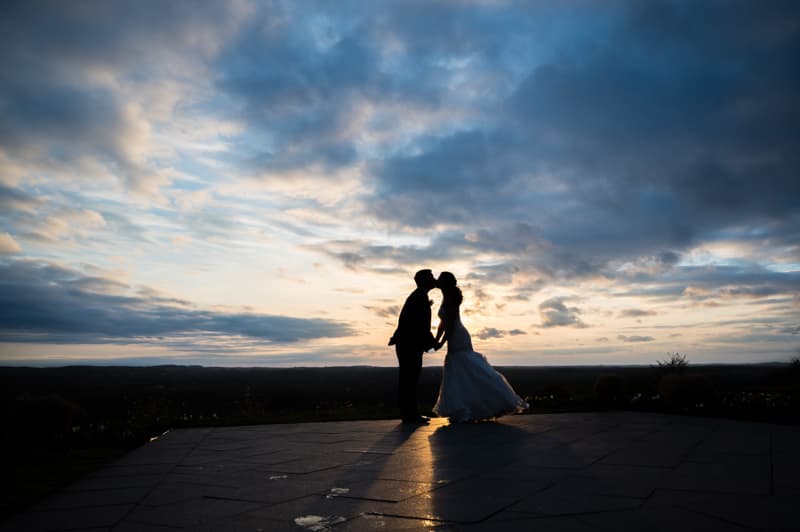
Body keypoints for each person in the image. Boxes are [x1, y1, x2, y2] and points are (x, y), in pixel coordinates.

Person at [433, 271, 528, 422]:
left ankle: (472, 406)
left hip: (457, 335)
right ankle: (466, 405)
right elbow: (443, 323)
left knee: (462, 367)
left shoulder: (450, 298)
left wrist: (440, 342)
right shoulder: (446, 296)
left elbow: (449, 325)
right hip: (455, 335)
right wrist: (436, 339)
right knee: (460, 369)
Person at [389, 269, 439, 424]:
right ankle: (410, 415)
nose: (434, 279)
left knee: (408, 379)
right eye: (431, 277)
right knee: (409, 379)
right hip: (409, 345)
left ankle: (409, 414)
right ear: (424, 280)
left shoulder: (419, 296)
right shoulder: (419, 297)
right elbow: (419, 326)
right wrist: (433, 342)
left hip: (407, 344)